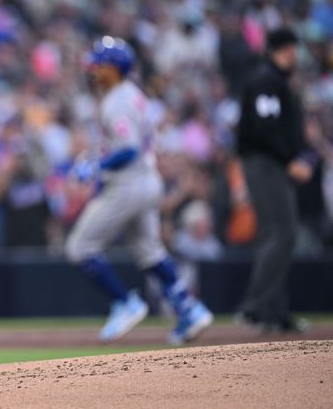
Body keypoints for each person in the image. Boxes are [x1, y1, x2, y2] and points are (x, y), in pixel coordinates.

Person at [65, 37, 214, 344]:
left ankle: (125, 302)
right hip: (148, 181)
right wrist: (98, 157)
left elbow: (128, 149)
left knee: (80, 248)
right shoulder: (133, 94)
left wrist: (94, 166)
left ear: (113, 68)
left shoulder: (117, 100)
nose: (93, 69)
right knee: (150, 253)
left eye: (99, 64)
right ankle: (190, 309)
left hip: (128, 184)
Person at [236, 28, 314, 332]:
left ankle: (273, 310)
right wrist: (291, 159)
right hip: (264, 162)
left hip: (271, 163)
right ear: (274, 51)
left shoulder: (275, 81)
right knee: (282, 232)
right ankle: (256, 307)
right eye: (287, 50)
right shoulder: (266, 81)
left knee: (277, 234)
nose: (292, 55)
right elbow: (265, 129)